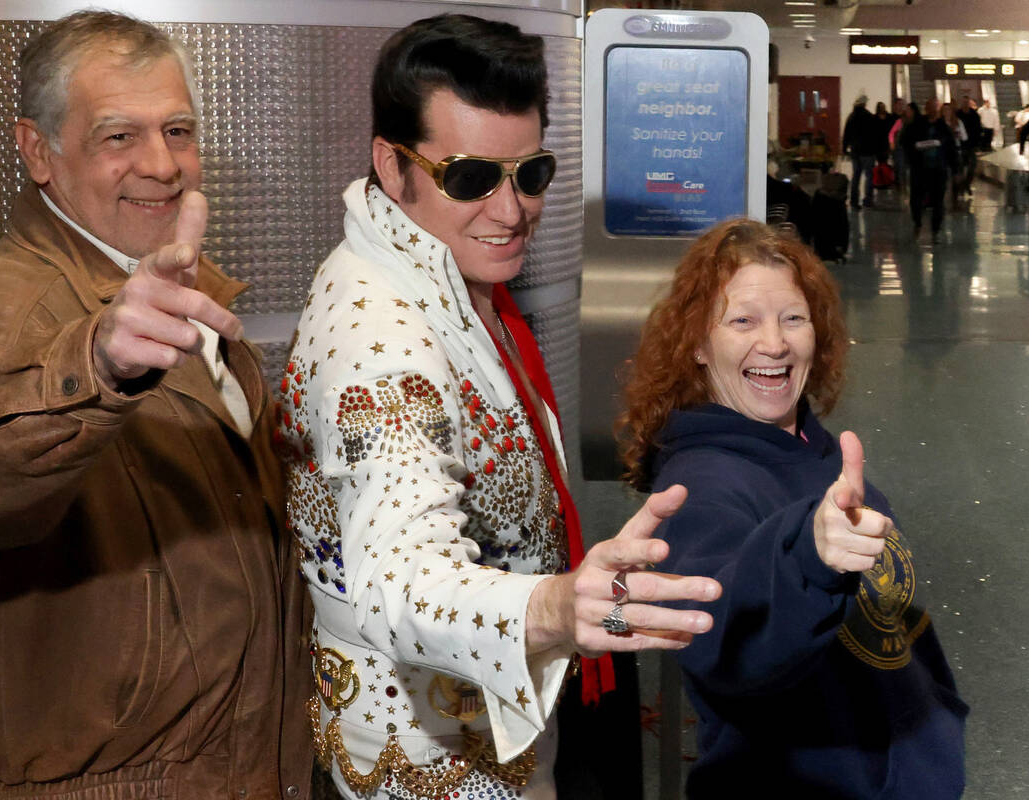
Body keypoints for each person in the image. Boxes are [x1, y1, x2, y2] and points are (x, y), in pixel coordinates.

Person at [0, 11, 312, 799]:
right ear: (38, 152)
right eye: (118, 137)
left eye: (178, 130)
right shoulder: (20, 297)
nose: (163, 165)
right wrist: (95, 363)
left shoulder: (172, 286)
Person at [278, 14, 720, 799]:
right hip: (432, 760)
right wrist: (556, 605)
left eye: (533, 172)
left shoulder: (445, 272)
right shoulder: (383, 339)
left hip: (495, 723)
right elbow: (400, 578)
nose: (511, 210)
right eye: (472, 177)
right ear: (392, 164)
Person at [617, 218, 968, 798]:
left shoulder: (816, 451)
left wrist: (934, 722)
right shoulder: (700, 486)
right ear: (698, 345)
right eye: (742, 321)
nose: (775, 343)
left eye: (793, 318)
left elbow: (889, 627)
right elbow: (725, 642)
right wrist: (808, 557)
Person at [900, 98, 959, 239]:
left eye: (935, 108)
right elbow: (905, 142)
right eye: (931, 108)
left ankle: (936, 229)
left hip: (938, 169)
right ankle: (918, 222)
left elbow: (951, 148)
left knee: (938, 199)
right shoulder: (917, 125)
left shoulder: (942, 127)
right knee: (917, 197)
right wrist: (914, 150)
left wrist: (955, 168)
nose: (933, 111)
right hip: (920, 168)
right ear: (926, 109)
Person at [842, 95, 878, 209]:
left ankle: (853, 201)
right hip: (868, 151)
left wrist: (844, 148)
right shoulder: (869, 116)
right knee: (869, 176)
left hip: (855, 151)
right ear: (865, 104)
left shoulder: (851, 117)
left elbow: (846, 134)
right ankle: (868, 200)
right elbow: (875, 135)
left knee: (856, 177)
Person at [955, 96, 981, 196]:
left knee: (972, 166)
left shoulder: (974, 115)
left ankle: (967, 184)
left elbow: (978, 129)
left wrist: (977, 143)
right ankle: (962, 186)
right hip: (961, 144)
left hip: (971, 145)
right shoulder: (958, 114)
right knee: (961, 167)